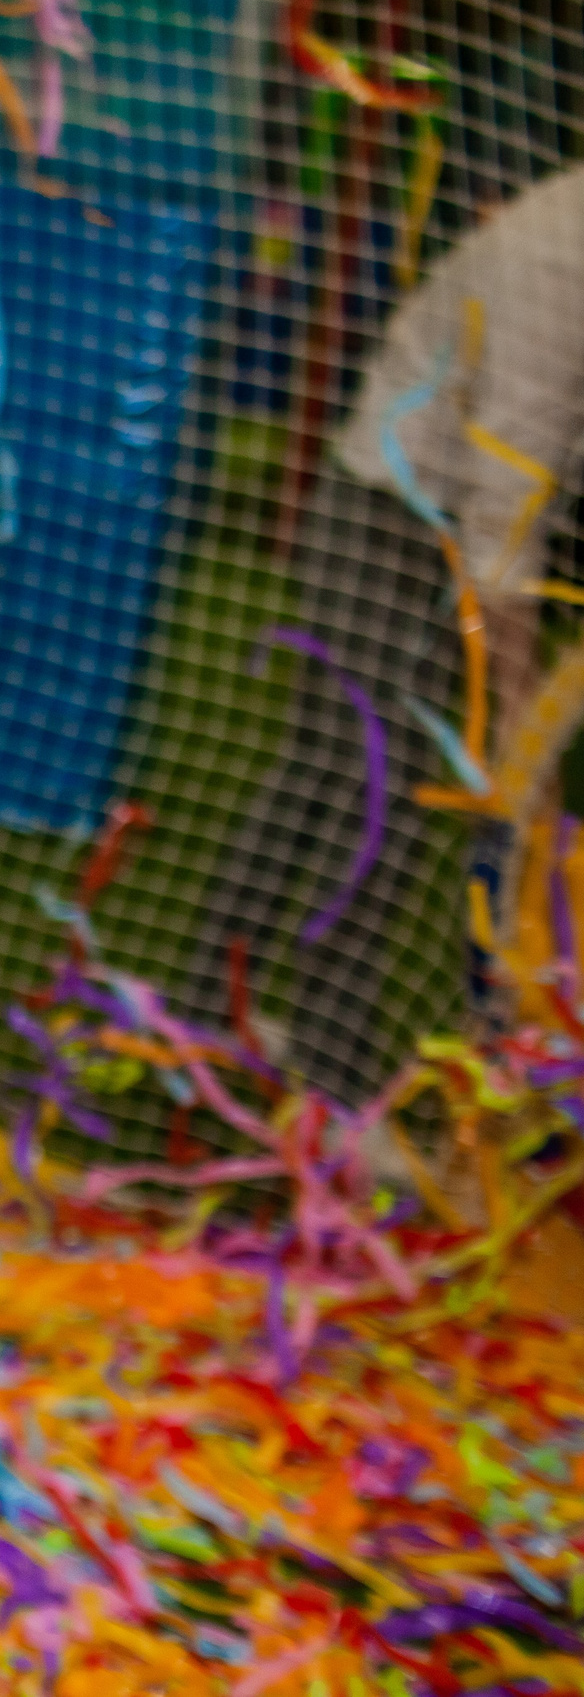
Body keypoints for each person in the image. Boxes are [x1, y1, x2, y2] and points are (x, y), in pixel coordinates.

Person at [189, 164, 584, 1105]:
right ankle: (321, 1077)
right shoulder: (555, 260)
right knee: (377, 788)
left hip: (453, 521)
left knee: (337, 774)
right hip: (389, 515)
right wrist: (515, 703)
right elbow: (505, 496)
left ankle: (216, 1015)